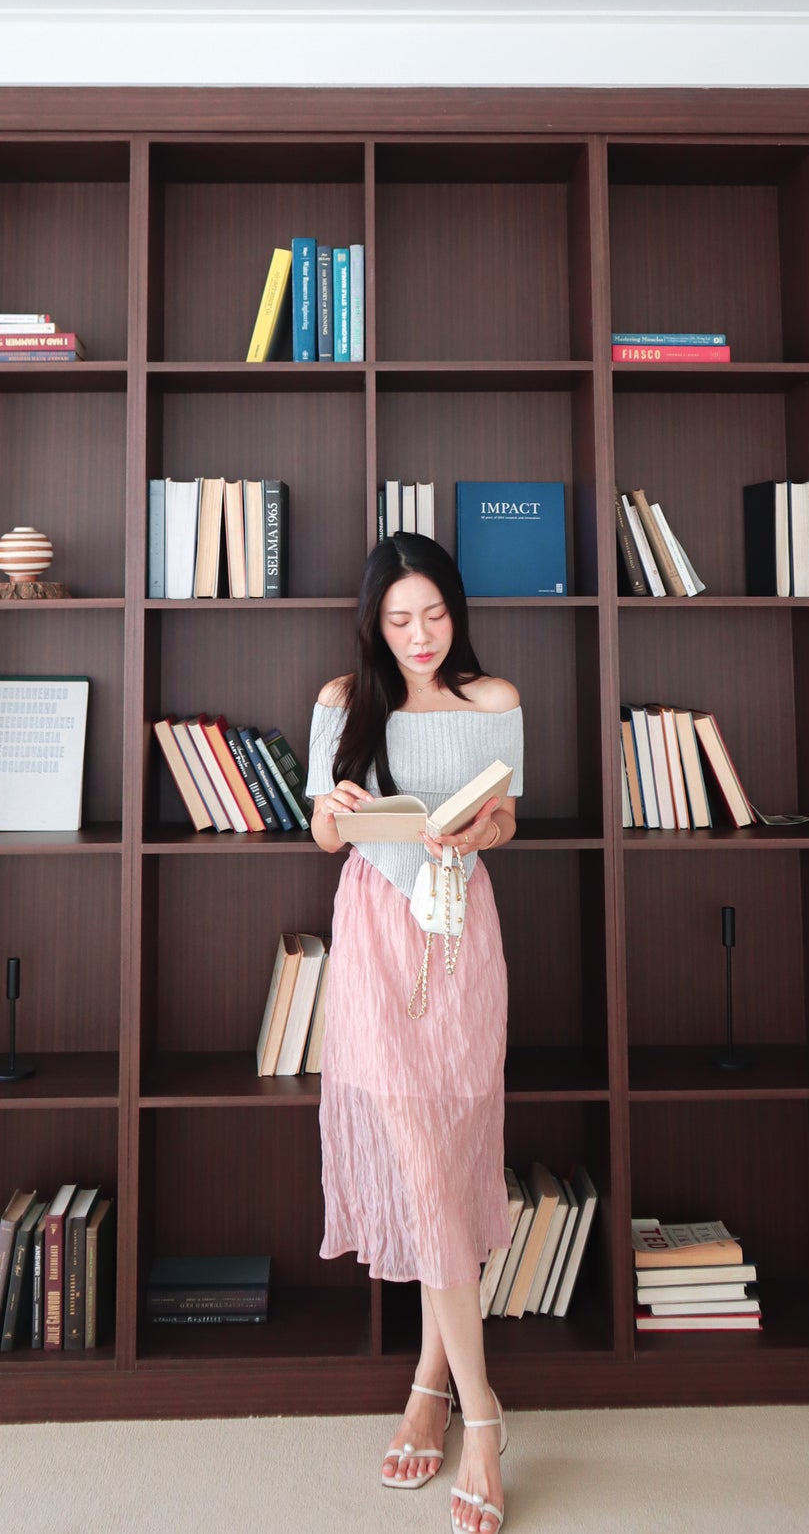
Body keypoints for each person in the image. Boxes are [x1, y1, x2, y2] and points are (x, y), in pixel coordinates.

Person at [306, 532, 523, 1534]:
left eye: (433, 613)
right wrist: (343, 806)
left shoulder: (493, 699)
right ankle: (484, 1416)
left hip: (461, 931)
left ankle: (428, 1386)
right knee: (426, 1168)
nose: (419, 635)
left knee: (449, 1154)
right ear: (373, 622)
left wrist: (479, 827)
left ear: (456, 610)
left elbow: (507, 818)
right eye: (398, 619)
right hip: (376, 940)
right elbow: (320, 829)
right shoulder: (343, 704)